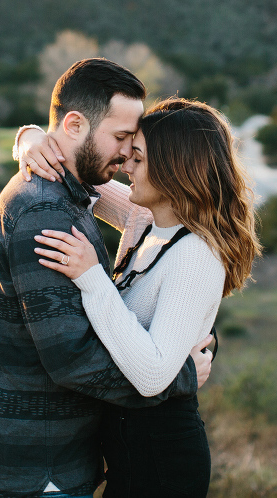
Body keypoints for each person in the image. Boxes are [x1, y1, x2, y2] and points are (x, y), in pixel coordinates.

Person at [0, 59, 213, 498]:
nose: (125, 157)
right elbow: (73, 359)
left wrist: (33, 137)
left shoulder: (80, 195)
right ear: (76, 124)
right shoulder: (46, 208)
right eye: (121, 139)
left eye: (136, 150)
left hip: (64, 460)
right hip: (41, 469)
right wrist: (183, 377)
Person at [18, 97, 261, 497]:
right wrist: (30, 139)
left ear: (174, 171)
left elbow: (151, 376)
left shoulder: (196, 256)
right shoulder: (145, 219)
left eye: (138, 159)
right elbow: (74, 176)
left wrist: (92, 276)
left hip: (162, 461)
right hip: (128, 447)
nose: (125, 166)